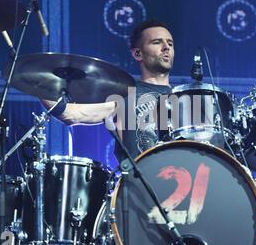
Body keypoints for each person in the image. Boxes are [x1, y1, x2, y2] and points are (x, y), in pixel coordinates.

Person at [41, 19, 175, 161]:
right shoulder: (124, 95)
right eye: (157, 42)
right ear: (137, 54)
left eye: (170, 43)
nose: (166, 47)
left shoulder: (188, 99)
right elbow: (71, 114)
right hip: (138, 181)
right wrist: (36, 82)